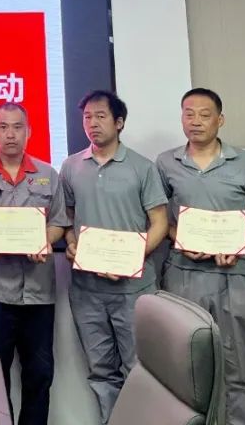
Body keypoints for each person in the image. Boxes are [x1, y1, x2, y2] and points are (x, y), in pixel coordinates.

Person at [156, 88, 245, 425]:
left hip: (235, 276)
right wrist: (179, 238)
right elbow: (158, 218)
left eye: (204, 114)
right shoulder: (166, 162)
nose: (195, 121)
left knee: (239, 370)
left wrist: (240, 244)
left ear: (220, 120)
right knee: (185, 371)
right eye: (188, 113)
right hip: (183, 274)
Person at [61, 90, 168, 425]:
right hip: (87, 290)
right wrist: (71, 243)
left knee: (139, 369)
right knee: (101, 371)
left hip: (133, 289)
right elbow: (67, 218)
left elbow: (160, 222)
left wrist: (132, 256)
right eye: (87, 117)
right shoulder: (71, 166)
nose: (92, 123)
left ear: (119, 122)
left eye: (101, 116)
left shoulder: (142, 167)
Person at [0, 102, 69, 425]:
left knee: (39, 373)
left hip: (38, 292)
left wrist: (44, 240)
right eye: (3, 127)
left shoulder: (48, 175)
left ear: (29, 132)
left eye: (17, 127)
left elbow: (59, 221)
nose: (11, 134)